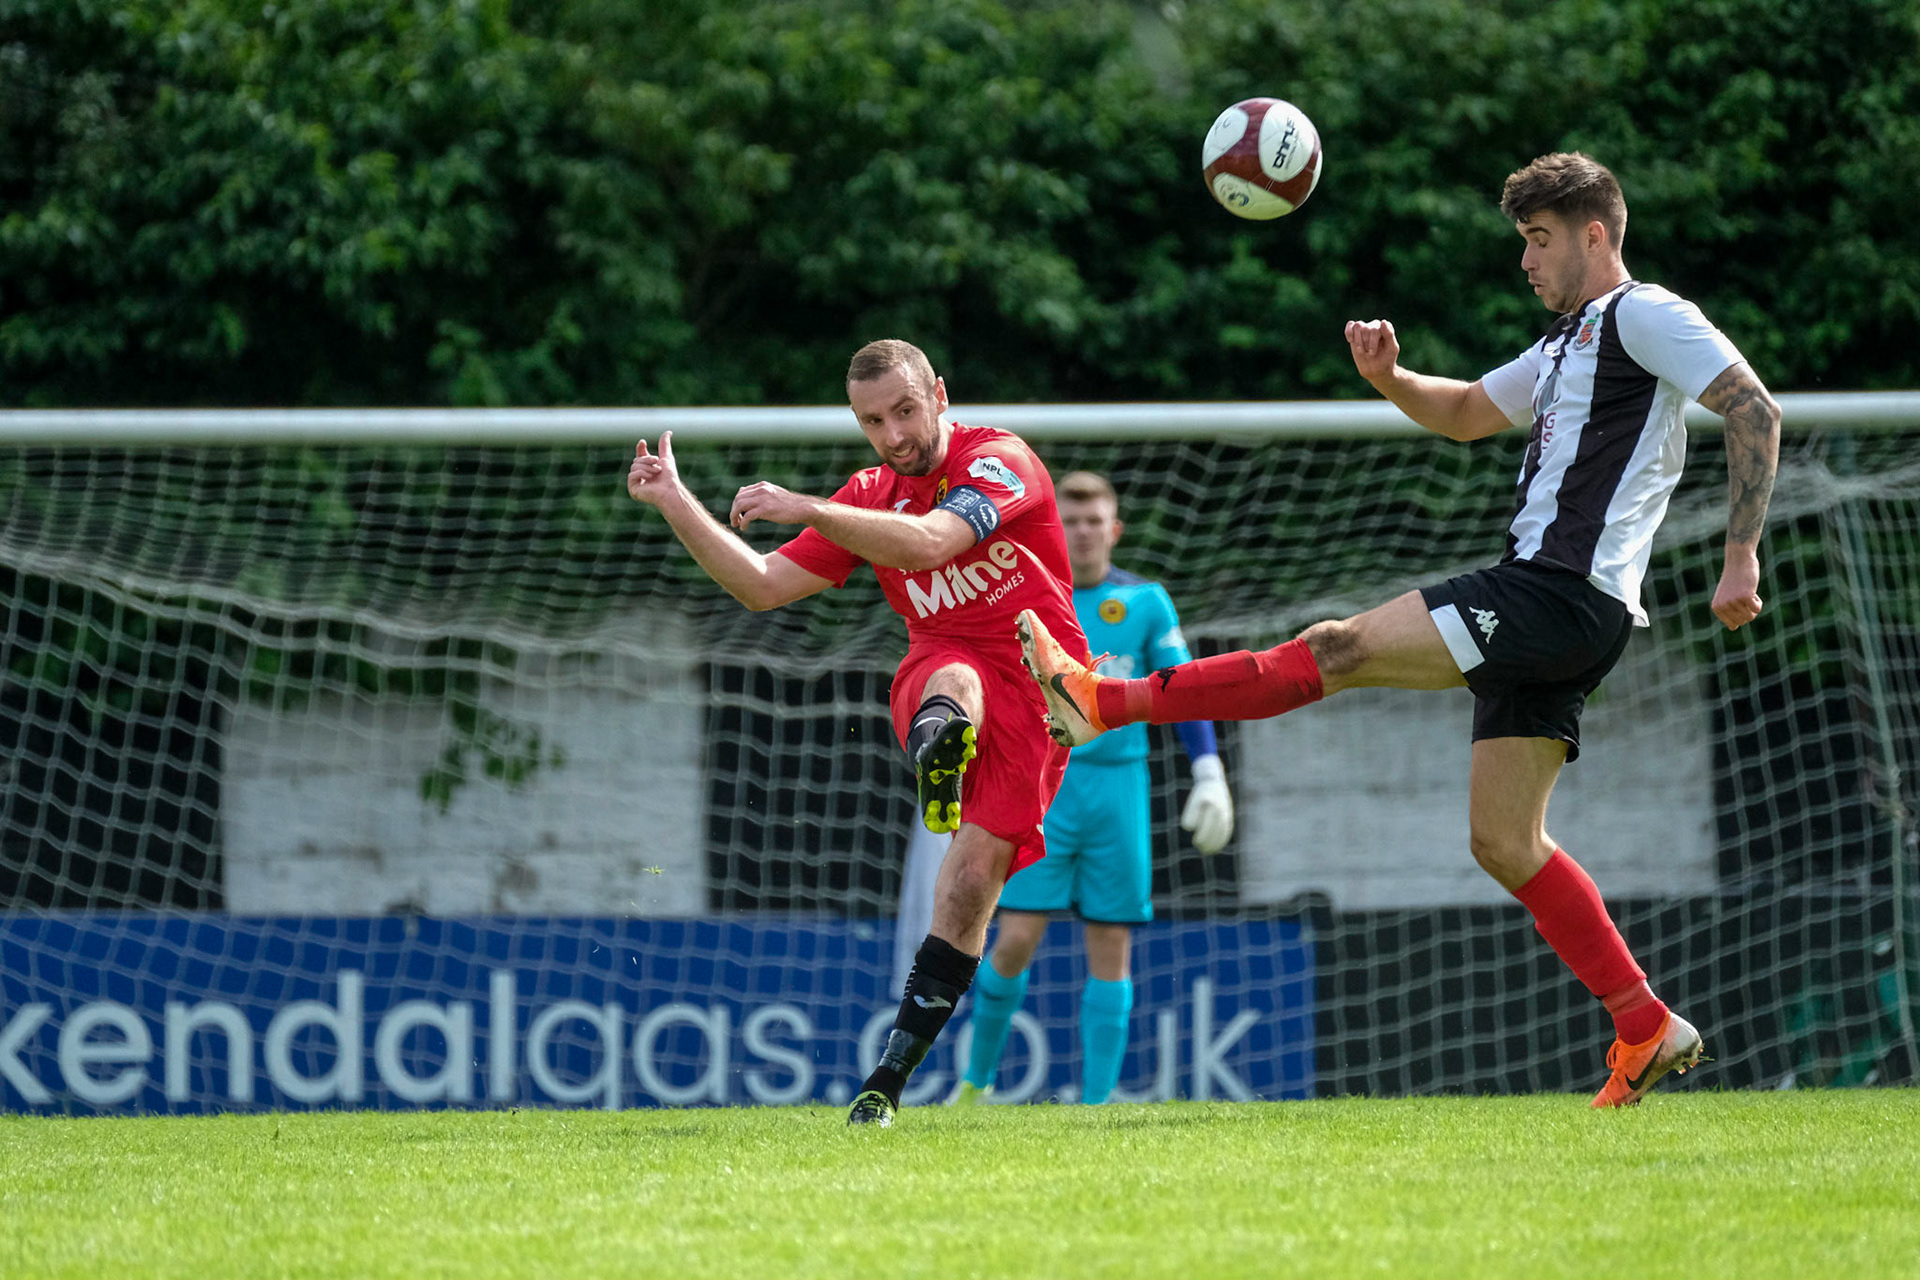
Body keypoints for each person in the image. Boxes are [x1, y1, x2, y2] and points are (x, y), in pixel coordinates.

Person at [1017, 152, 1781, 1108]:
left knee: (1337, 647)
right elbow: (1465, 413)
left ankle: (1103, 699)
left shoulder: (1645, 314)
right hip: (1574, 611)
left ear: (1595, 235)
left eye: (1539, 240)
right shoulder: (1566, 344)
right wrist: (1390, 376)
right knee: (1505, 842)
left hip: (1554, 593)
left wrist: (1740, 553)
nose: (1526, 261)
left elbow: (1752, 407)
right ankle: (1644, 1024)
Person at [625, 338, 1087, 1127]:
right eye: (874, 420)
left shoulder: (1000, 460)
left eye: (906, 410)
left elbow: (939, 541)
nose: (894, 433)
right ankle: (939, 745)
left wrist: (808, 507)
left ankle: (890, 1078)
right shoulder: (870, 491)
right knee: (953, 679)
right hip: (943, 665)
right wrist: (675, 499)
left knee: (972, 884)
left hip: (1044, 685)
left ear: (939, 393)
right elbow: (763, 586)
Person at [953, 470, 1233, 1104]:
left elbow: (1184, 689)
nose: (1081, 532)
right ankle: (974, 1085)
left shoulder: (1147, 603)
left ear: (1114, 529)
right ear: (1057, 527)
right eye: (1070, 521)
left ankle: (1095, 1105)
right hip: (1041, 786)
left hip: (1120, 789)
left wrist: (1209, 770)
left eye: (1093, 520)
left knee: (1110, 941)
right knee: (1014, 936)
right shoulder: (1025, 597)